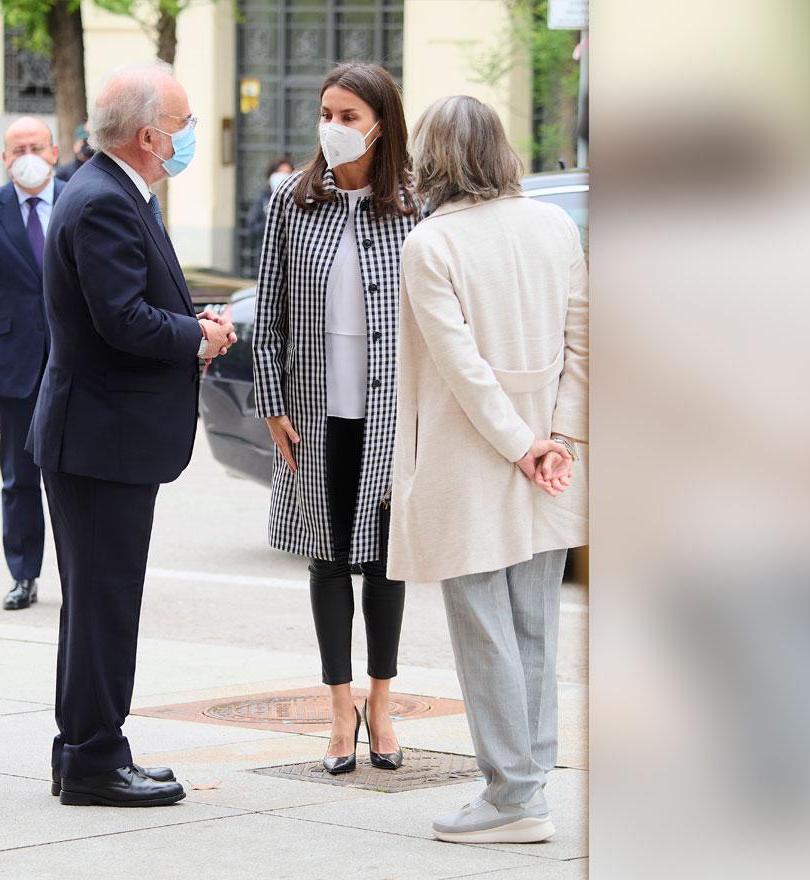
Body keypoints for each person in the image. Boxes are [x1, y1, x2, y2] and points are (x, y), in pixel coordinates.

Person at [25, 61, 236, 808]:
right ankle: (92, 759)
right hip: (99, 440)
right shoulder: (105, 200)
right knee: (104, 606)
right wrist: (200, 338)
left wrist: (190, 324)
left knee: (96, 607)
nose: (185, 138)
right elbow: (123, 321)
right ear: (149, 135)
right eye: (180, 127)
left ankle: (86, 751)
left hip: (98, 438)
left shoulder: (110, 190)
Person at [387, 95, 588, 844]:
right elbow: (586, 342)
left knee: (485, 628)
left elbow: (461, 366)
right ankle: (527, 784)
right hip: (551, 460)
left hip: (473, 460)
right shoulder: (555, 226)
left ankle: (511, 796)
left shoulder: (432, 244)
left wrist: (518, 444)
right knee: (535, 622)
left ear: (432, 158)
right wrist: (557, 437)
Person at [252, 62, 416, 776]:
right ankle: (336, 709)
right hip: (315, 415)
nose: (334, 127)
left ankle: (381, 704)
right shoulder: (294, 199)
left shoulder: (415, 205)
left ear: (381, 124)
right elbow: (270, 316)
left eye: (349, 116)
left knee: (385, 563)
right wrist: (272, 405)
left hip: (390, 415)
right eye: (327, 113)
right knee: (326, 562)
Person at [0, 116, 65, 611]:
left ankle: (80, 574)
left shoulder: (82, 199)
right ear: (4, 159)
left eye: (36, 146)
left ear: (53, 152)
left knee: (77, 475)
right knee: (19, 478)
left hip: (75, 362)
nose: (27, 156)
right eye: (18, 149)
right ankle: (23, 575)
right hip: (11, 363)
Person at [245, 154, 294, 267]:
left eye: (287, 173)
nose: (283, 177)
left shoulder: (298, 200)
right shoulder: (263, 198)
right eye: (279, 173)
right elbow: (252, 226)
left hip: (291, 259)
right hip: (266, 257)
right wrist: (271, 225)